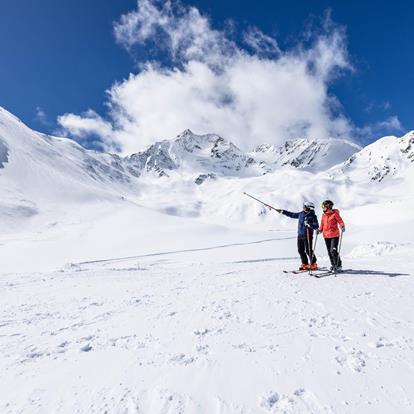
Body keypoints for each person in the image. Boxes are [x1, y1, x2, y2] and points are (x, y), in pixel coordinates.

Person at [275, 202, 319, 270]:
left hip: (307, 235)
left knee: (308, 250)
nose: (303, 207)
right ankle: (305, 263)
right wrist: (282, 211)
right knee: (300, 250)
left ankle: (313, 263)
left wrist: (309, 224)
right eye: (303, 206)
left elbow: (316, 226)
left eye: (305, 206)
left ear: (309, 208)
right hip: (300, 235)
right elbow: (292, 214)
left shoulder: (313, 216)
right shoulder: (301, 214)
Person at [318, 200, 345, 272]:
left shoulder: (335, 214)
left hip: (334, 235)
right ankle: (333, 265)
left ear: (328, 207)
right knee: (329, 252)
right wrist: (319, 230)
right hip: (326, 236)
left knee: (333, 251)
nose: (322, 208)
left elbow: (340, 221)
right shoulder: (323, 215)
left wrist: (342, 226)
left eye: (323, 207)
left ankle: (338, 265)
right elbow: (322, 224)